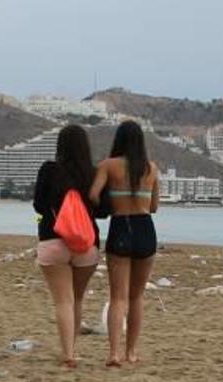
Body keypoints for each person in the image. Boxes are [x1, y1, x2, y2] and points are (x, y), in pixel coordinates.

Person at [90, 121, 159, 367]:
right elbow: (154, 207)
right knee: (137, 297)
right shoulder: (151, 168)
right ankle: (131, 352)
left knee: (118, 297)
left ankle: (114, 354)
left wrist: (109, 201)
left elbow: (93, 194)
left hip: (121, 227)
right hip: (145, 229)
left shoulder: (108, 166)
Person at [32, 125, 100, 368]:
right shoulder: (92, 173)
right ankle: (73, 349)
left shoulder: (49, 170)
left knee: (63, 301)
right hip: (86, 244)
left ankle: (67, 354)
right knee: (77, 299)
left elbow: (38, 205)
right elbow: (102, 211)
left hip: (53, 240)